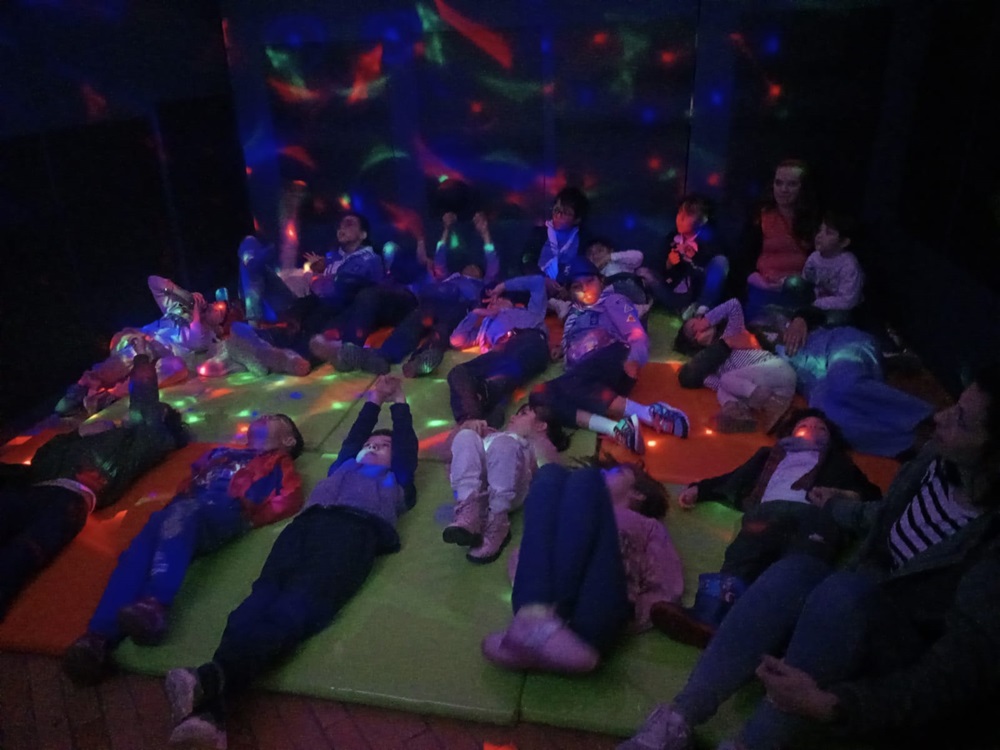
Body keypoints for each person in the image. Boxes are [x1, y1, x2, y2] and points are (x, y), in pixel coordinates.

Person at [618, 364, 1000, 750]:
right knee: (794, 572)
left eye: (963, 421)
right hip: (850, 589)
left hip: (895, 650)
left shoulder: (990, 548)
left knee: (840, 590)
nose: (940, 416)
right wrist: (835, 505)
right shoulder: (936, 462)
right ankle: (679, 718)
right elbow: (881, 516)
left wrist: (832, 705)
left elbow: (952, 675)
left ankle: (753, 743)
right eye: (954, 406)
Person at [163, 374, 418, 749]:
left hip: (354, 532)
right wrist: (372, 398)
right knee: (259, 599)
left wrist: (396, 399)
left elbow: (407, 443)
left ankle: (212, 685)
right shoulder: (343, 465)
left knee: (298, 605)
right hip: (305, 528)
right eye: (369, 444)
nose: (371, 448)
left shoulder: (398, 479)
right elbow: (354, 436)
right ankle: (210, 711)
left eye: (381, 446)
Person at [61, 413, 305, 685]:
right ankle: (98, 639)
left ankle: (154, 605)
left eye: (274, 418)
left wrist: (249, 520)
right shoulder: (223, 453)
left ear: (288, 439)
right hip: (182, 508)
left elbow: (290, 498)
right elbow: (195, 474)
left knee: (180, 517)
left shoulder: (278, 462)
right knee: (136, 555)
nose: (264, 417)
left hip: (222, 510)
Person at [649, 409, 880, 649]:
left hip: (816, 514)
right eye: (805, 425)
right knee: (743, 556)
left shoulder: (840, 463)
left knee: (799, 567)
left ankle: (780, 633)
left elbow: (871, 498)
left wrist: (840, 495)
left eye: (820, 428)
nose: (812, 430)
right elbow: (736, 477)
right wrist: (701, 489)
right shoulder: (770, 456)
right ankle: (708, 616)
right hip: (767, 512)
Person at [1, 356, 188, 619]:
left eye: (159, 410)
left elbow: (145, 402)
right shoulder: (106, 433)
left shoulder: (149, 442)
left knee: (25, 550)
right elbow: (44, 457)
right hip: (36, 484)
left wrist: (143, 361)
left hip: (71, 499)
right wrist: (76, 434)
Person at [481, 458, 683, 674]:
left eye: (616, 472)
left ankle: (537, 629)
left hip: (595, 611)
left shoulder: (647, 525)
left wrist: (629, 617)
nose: (605, 473)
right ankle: (534, 620)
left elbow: (666, 587)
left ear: (638, 493)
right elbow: (524, 556)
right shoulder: (567, 509)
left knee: (586, 479)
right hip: (544, 603)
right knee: (549, 474)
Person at [530, 257, 690, 454]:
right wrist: (561, 350)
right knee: (538, 394)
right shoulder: (572, 315)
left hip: (615, 362)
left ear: (602, 282)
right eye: (577, 286)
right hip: (583, 380)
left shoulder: (613, 301)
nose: (584, 289)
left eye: (590, 282)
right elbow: (572, 343)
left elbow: (638, 336)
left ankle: (646, 413)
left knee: (586, 361)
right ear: (570, 292)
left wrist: (634, 359)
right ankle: (616, 429)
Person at [334, 228, 499, 378]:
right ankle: (383, 357)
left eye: (475, 268)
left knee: (443, 329)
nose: (471, 268)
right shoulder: (449, 277)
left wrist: (485, 233)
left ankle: (420, 361)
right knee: (417, 318)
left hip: (459, 306)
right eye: (468, 266)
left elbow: (492, 263)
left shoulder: (482, 284)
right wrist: (446, 229)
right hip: (431, 303)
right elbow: (439, 260)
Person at [56, 276, 230, 416]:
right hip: (144, 342)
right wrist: (183, 294)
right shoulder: (177, 307)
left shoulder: (208, 336)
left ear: (219, 324)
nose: (214, 306)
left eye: (219, 311)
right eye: (215, 303)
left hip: (165, 355)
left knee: (176, 367)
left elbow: (195, 340)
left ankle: (110, 396)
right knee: (141, 347)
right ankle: (84, 385)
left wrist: (197, 314)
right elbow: (153, 281)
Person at [445, 402, 568, 564]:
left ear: (541, 425)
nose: (512, 417)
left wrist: (536, 437)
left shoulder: (533, 445)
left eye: (522, 414)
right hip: (477, 491)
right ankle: (469, 511)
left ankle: (497, 522)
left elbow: (553, 469)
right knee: (466, 437)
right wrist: (465, 427)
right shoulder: (491, 435)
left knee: (505, 444)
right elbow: (449, 453)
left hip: (508, 490)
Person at [675, 298, 797, 433]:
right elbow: (706, 380)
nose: (699, 327)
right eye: (693, 330)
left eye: (698, 322)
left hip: (777, 372)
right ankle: (739, 415)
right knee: (722, 388)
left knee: (727, 379)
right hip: (773, 391)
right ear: (694, 342)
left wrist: (706, 321)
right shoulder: (710, 366)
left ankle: (773, 405)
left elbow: (734, 304)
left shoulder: (732, 332)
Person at [447, 274, 551, 427]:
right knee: (458, 372)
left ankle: (485, 404)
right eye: (490, 303)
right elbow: (456, 340)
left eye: (500, 298)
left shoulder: (531, 312)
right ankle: (478, 415)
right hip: (499, 353)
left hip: (530, 341)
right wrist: (476, 314)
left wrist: (501, 287)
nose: (495, 302)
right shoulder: (485, 329)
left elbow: (537, 282)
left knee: (511, 364)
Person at [741, 160, 818, 320]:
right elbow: (743, 259)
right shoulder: (759, 216)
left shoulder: (814, 221)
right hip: (763, 288)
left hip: (798, 293)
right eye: (779, 183)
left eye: (792, 184)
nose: (784, 190)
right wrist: (754, 278)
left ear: (802, 188)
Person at [638, 194, 728, 317]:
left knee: (721, 261)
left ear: (701, 221)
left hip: (694, 295)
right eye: (680, 213)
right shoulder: (672, 238)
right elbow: (659, 267)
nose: (680, 218)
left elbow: (711, 274)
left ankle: (700, 312)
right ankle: (669, 306)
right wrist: (669, 263)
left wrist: (691, 260)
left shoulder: (709, 242)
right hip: (672, 292)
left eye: (687, 215)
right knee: (643, 272)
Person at [801, 210, 864, 326]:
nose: (820, 236)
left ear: (844, 242)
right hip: (817, 301)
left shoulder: (849, 264)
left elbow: (848, 300)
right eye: (820, 230)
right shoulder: (814, 257)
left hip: (842, 308)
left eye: (828, 233)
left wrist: (819, 304)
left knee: (836, 318)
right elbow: (807, 281)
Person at [521, 186, 592, 281]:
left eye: (565, 213)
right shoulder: (539, 233)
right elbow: (526, 261)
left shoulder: (583, 238)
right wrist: (543, 280)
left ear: (577, 219)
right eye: (556, 210)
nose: (558, 216)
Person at [583, 237, 651, 312]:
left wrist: (610, 257)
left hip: (630, 290)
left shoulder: (619, 262)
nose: (595, 256)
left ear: (610, 251)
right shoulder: (590, 277)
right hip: (609, 301)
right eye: (590, 254)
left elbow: (639, 256)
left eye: (600, 251)